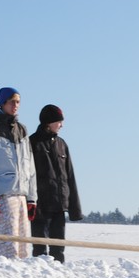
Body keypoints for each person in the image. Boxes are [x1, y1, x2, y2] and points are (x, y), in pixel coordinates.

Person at [0, 87, 37, 258]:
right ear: (2, 103)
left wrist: (32, 198)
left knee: (24, 247)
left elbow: (30, 167)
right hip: (3, 195)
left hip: (22, 195)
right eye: (12, 102)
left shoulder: (22, 129)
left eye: (18, 102)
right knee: (7, 247)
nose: (15, 105)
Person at [29, 104, 83, 263]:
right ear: (49, 122)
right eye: (59, 121)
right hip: (40, 206)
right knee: (39, 248)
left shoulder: (62, 144)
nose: (62, 125)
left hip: (60, 206)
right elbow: (28, 175)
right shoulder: (32, 143)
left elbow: (70, 177)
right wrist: (31, 202)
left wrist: (74, 209)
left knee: (58, 249)